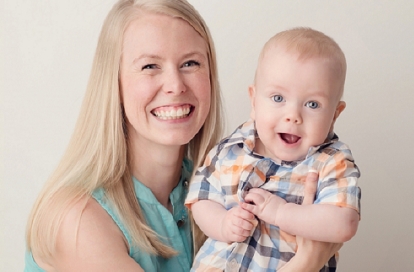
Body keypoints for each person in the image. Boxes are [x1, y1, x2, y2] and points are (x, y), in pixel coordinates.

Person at [24, 1, 340, 271]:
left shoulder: (221, 190)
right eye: (150, 66)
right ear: (115, 86)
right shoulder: (77, 219)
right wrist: (305, 263)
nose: (175, 85)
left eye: (190, 63)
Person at [186, 27, 361, 271]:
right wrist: (223, 224)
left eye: (312, 104)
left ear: (334, 114)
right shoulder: (231, 148)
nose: (293, 116)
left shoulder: (332, 161)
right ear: (254, 101)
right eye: (278, 98)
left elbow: (344, 223)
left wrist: (281, 213)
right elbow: (201, 199)